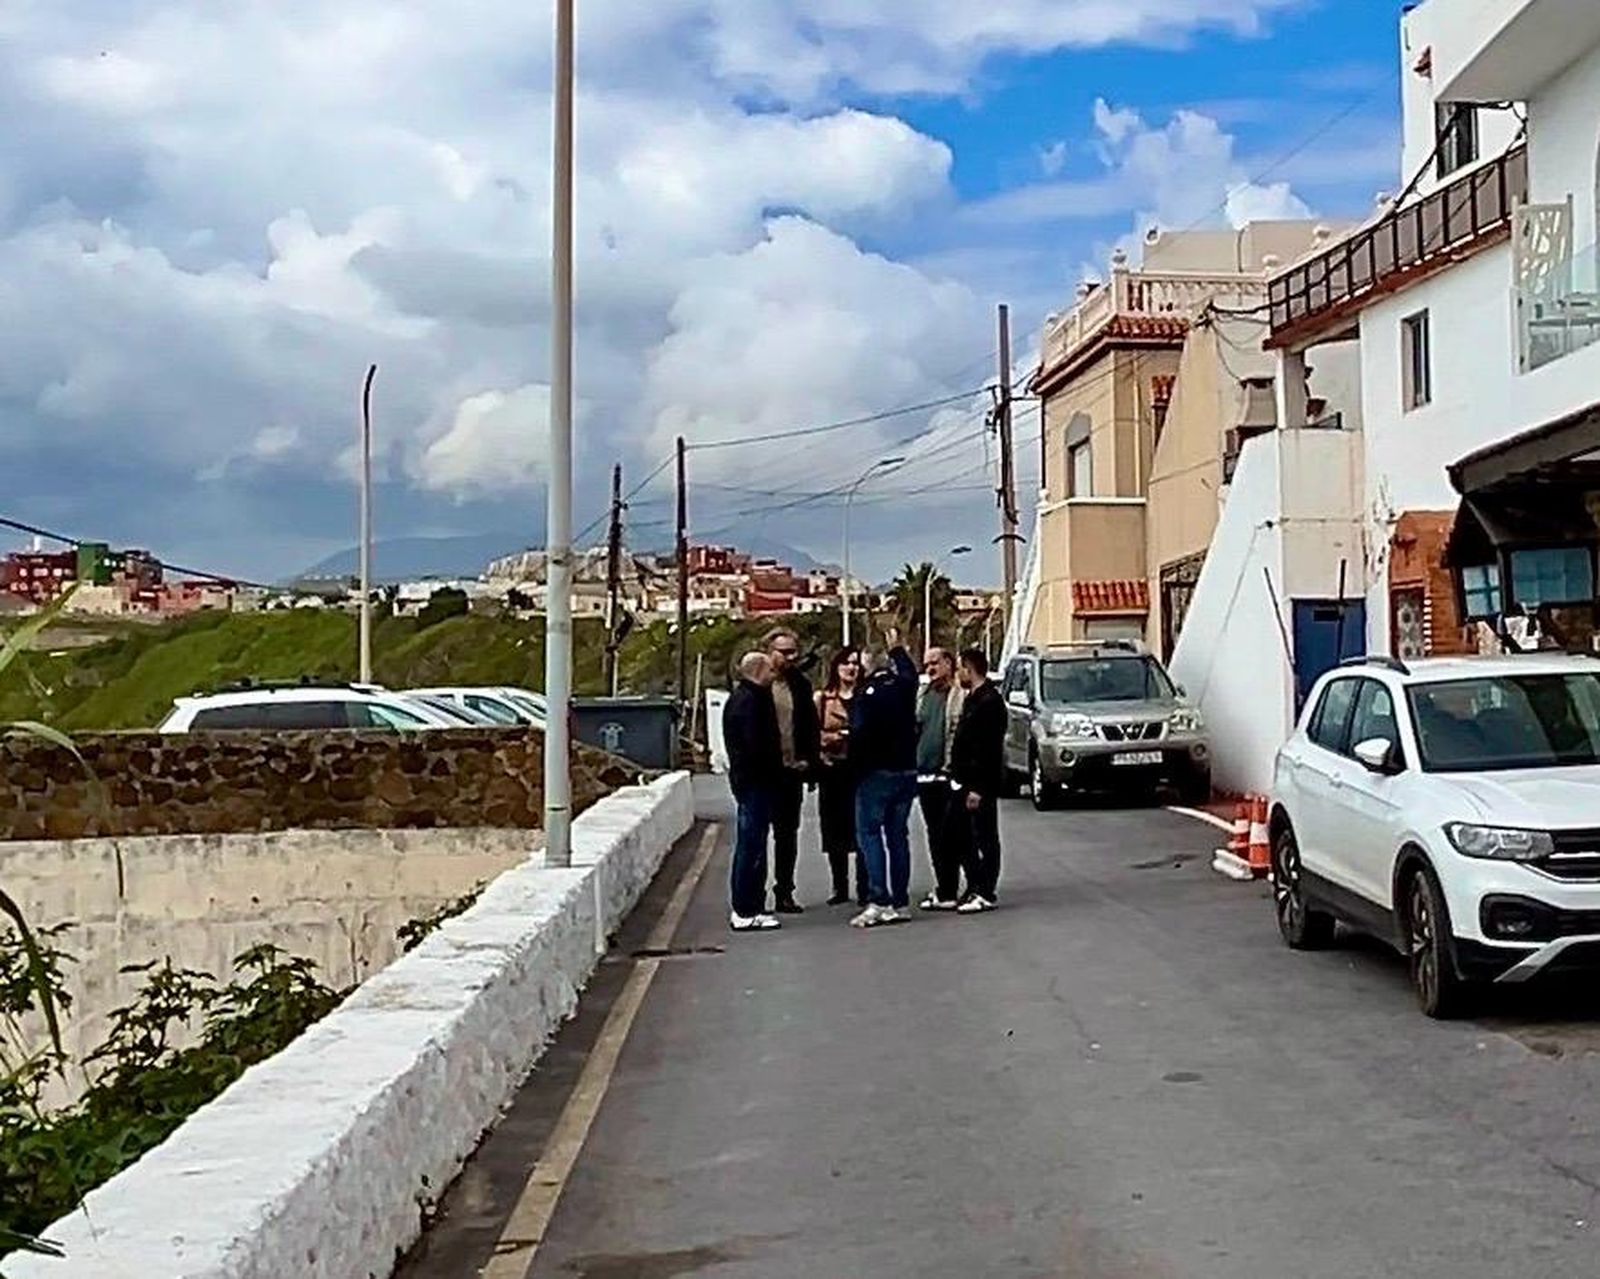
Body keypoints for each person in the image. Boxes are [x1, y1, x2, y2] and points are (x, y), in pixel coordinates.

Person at [849, 628, 919, 928]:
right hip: (906, 770)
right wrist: (898, 649)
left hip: (876, 772)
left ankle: (879, 899)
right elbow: (910, 673)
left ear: (867, 665)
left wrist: (854, 766)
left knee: (870, 833)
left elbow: (860, 735)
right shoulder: (903, 687)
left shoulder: (865, 696)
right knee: (898, 836)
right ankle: (900, 900)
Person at [722, 652, 783, 932]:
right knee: (751, 846)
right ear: (758, 670)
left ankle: (753, 904)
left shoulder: (751, 698)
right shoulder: (748, 703)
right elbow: (754, 746)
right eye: (770, 669)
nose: (774, 673)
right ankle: (745, 908)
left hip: (754, 782)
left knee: (755, 843)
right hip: (754, 783)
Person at [763, 627, 821, 913]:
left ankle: (784, 891)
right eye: (783, 652)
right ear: (769, 653)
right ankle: (754, 894)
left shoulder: (800, 684)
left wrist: (810, 763)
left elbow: (810, 724)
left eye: (792, 652)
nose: (789, 658)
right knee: (759, 833)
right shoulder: (757, 685)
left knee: (787, 835)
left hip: (792, 770)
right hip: (764, 772)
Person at [948, 647, 1007, 913]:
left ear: (969, 668)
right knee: (958, 834)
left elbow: (989, 749)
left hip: (979, 784)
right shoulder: (972, 699)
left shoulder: (990, 702)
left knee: (985, 836)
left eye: (960, 667)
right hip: (962, 780)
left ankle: (986, 890)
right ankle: (974, 883)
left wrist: (978, 788)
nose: (958, 673)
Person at [915, 647, 967, 911]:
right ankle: (944, 888)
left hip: (949, 775)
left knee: (954, 834)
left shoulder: (960, 696)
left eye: (935, 663)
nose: (930, 668)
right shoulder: (922, 695)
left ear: (949, 663)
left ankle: (960, 885)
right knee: (934, 834)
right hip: (924, 776)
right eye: (926, 665)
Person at [815, 647, 864, 906]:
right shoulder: (823, 699)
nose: (851, 668)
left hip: (858, 769)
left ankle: (865, 885)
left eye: (855, 663)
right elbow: (811, 733)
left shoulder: (865, 696)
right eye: (846, 663)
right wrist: (828, 740)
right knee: (835, 830)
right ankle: (839, 885)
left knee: (862, 827)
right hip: (832, 769)